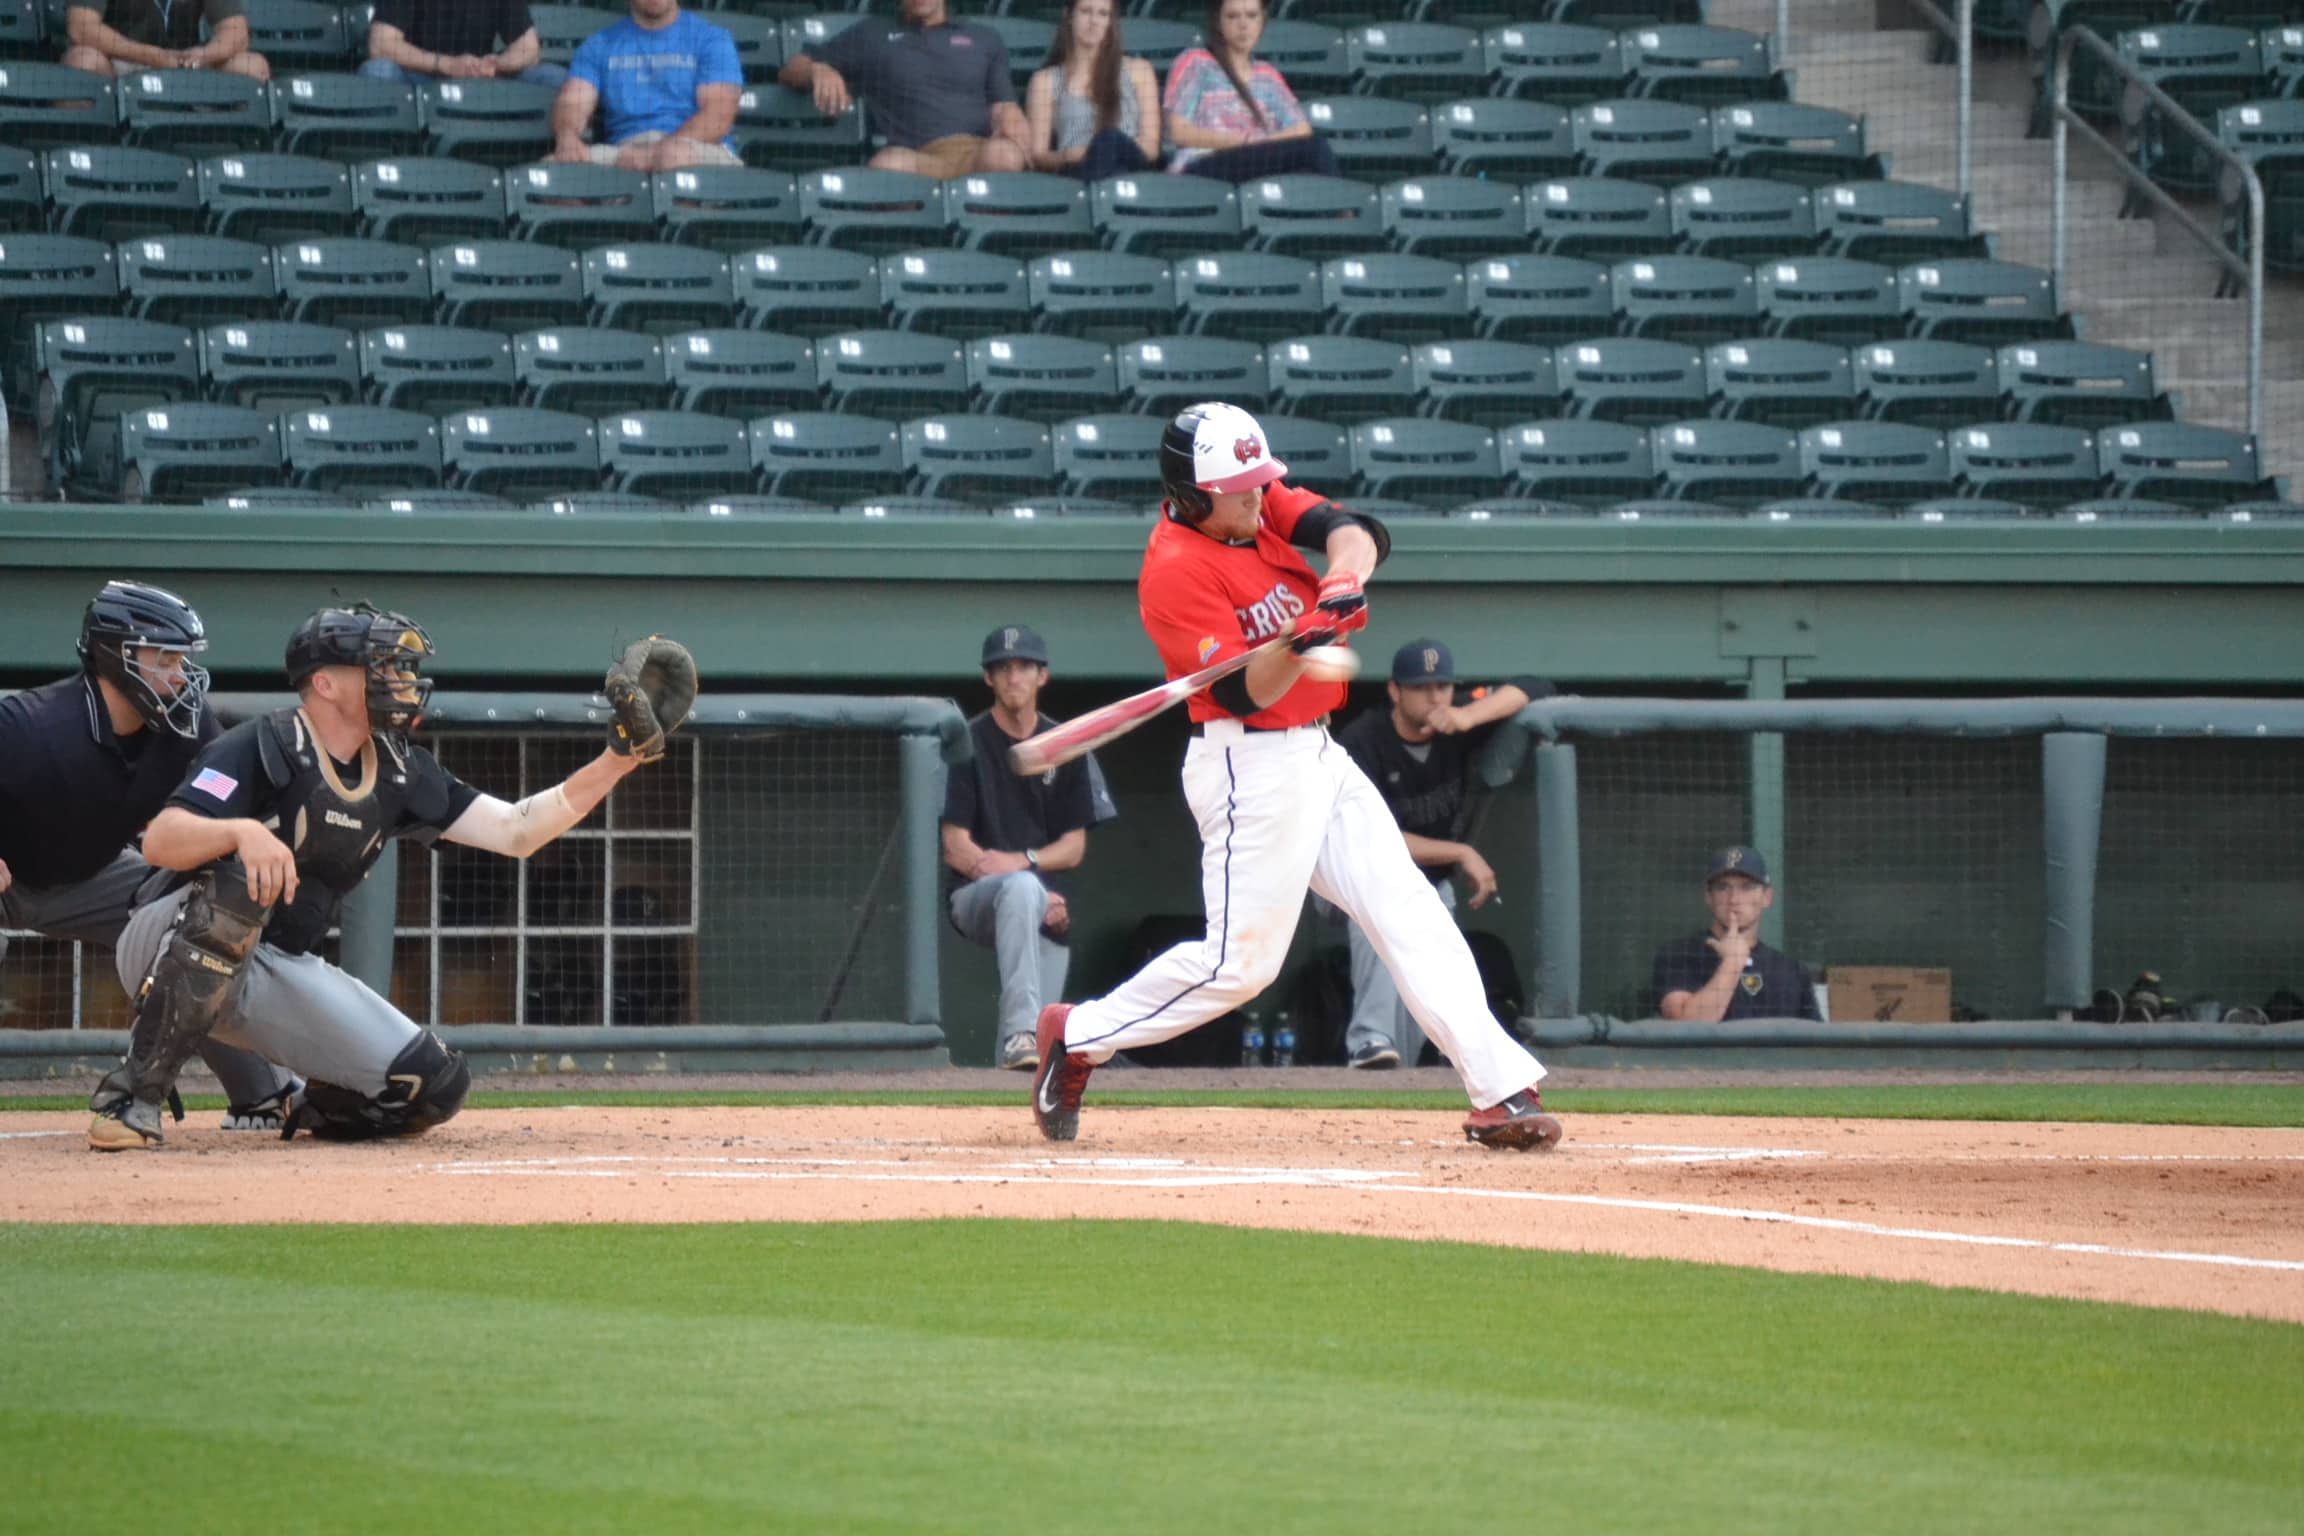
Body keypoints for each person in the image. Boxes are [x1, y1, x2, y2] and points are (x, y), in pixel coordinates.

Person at [1029, 402, 1562, 1151]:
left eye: (1259, 482)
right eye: (1238, 490)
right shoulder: (1175, 572)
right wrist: (1295, 638)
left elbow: (1357, 532)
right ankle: (1079, 1034)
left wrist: (1340, 581)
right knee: (1238, 966)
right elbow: (1250, 690)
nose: (1257, 496)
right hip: (1248, 760)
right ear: (1192, 497)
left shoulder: (1255, 501)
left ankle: (1500, 1091)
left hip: (1317, 753)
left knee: (1406, 905)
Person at [85, 602, 669, 1150]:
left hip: (273, 966)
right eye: (380, 666)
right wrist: (242, 832)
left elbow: (517, 831)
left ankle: (305, 1107)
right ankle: (131, 1098)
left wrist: (618, 759)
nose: (398, 679)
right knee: (237, 883)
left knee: (432, 1086)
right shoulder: (266, 742)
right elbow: (161, 842)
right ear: (325, 683)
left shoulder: (399, 769)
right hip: (165, 939)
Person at [1, 582, 299, 1130]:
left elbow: (230, 802)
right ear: (115, 655)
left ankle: (262, 1095)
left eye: (182, 659)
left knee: (195, 928)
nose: (180, 674)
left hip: (90, 876)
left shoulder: (186, 726)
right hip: (9, 872)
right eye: (164, 658)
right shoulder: (32, 725)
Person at [1331, 639, 1551, 1070]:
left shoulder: (1457, 717)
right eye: (1421, 687)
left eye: (1443, 686)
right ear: (1395, 691)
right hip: (1350, 871)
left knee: (1431, 963)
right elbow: (1376, 838)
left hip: (1426, 880)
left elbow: (1536, 685)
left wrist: (1469, 715)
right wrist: (1462, 852)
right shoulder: (1363, 738)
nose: (1435, 697)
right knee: (1383, 909)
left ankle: (1398, 1066)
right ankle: (1369, 1038)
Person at [941, 624, 1117, 1072]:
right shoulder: (967, 742)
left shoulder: (1064, 744)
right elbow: (954, 845)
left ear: (1043, 676)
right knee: (1020, 890)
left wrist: (1026, 870)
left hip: (1046, 908)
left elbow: (1073, 847)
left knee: (1039, 1049)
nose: (1012, 677)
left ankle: (1018, 1053)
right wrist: (1018, 880)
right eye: (1002, 668)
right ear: (988, 679)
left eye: (1023, 667)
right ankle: (1020, 1032)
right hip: (975, 898)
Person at [778, 0, 1030, 181]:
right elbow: (790, 70)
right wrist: (817, 69)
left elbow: (1003, 104)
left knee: (1004, 155)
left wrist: (1010, 113)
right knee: (886, 166)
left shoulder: (984, 38)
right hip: (916, 156)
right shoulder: (872, 34)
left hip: (975, 152)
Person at [550, 0, 741, 171]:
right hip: (625, 151)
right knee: (552, 172)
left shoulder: (712, 39)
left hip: (699, 148)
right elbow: (572, 102)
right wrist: (567, 136)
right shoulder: (599, 45)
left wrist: (657, 151)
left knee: (673, 157)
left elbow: (718, 117)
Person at [1161, 0, 1336, 183]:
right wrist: (1242, 142)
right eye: (1232, 16)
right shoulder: (1195, 62)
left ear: (1262, 21)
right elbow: (1179, 132)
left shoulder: (1268, 76)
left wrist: (1260, 144)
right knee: (1316, 150)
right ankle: (1345, 211)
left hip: (1258, 161)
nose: (1243, 25)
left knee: (1309, 164)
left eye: (1252, 16)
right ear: (1218, 22)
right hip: (1203, 164)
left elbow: (1301, 128)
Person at [1651, 846, 1823, 1022]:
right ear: (1708, 897)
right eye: (1722, 887)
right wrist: (1732, 962)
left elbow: (1815, 1044)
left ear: (1767, 897)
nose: (1733, 899)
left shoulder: (1791, 970)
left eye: (1747, 887)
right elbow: (1685, 1026)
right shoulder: (1679, 955)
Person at [1024, 0, 1160, 183]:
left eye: (1103, 14)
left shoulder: (1139, 70)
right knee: (1107, 147)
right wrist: (1071, 155)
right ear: (1069, 16)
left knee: (1109, 139)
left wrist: (1104, 147)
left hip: (1131, 169)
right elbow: (1038, 155)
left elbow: (1151, 147)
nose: (1094, 21)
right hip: (1077, 172)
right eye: (1086, 11)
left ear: (1110, 22)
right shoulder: (1045, 81)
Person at [360, 0, 565, 90]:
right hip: (420, 81)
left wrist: (496, 64)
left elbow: (529, 48)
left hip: (480, 81)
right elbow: (381, 45)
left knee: (554, 78)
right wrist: (447, 64)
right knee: (377, 71)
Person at [61, 0, 269, 80]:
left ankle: (233, 164)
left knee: (250, 66)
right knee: (82, 61)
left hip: (187, 65)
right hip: (121, 64)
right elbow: (80, 27)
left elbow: (236, 32)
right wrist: (151, 56)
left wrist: (205, 55)